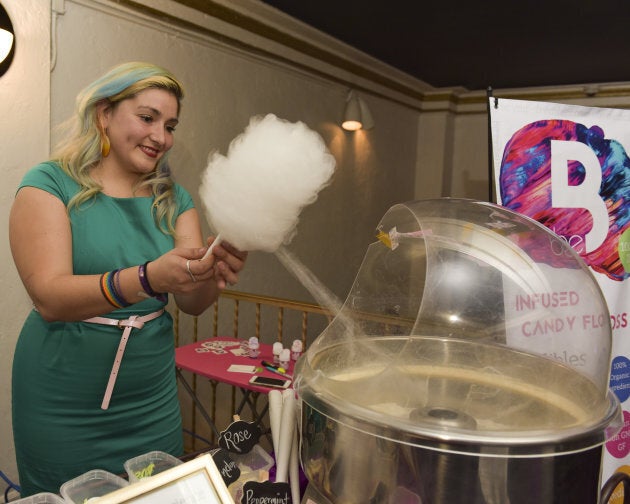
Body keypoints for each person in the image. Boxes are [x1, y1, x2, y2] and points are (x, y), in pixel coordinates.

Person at [9, 61, 248, 496]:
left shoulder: (173, 199)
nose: (161, 136)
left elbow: (191, 299)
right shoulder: (48, 185)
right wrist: (148, 277)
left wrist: (211, 273)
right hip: (62, 401)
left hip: (149, 400)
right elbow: (50, 297)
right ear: (104, 114)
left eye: (170, 125)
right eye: (147, 118)